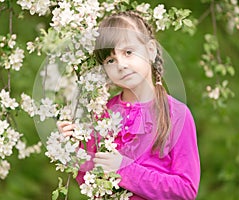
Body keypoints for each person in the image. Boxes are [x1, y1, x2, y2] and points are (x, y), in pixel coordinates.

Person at [58, 11, 200, 200]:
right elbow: (89, 182)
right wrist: (71, 149)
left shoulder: (177, 114)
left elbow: (185, 190)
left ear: (150, 50)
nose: (121, 65)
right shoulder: (101, 115)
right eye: (110, 60)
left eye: (128, 52)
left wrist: (124, 169)